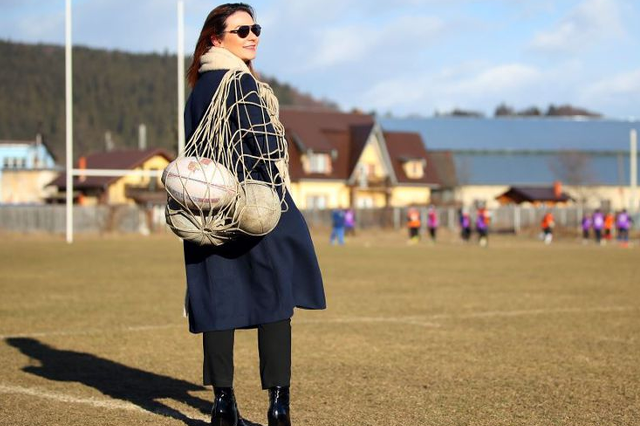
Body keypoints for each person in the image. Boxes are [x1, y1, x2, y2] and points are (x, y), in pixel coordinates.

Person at [181, 5, 326, 426]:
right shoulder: (241, 84)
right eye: (241, 29)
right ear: (215, 38)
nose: (252, 35)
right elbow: (262, 150)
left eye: (255, 28)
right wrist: (273, 200)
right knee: (276, 302)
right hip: (256, 206)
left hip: (208, 211)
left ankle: (222, 406)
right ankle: (279, 408)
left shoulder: (199, 90)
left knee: (216, 301)